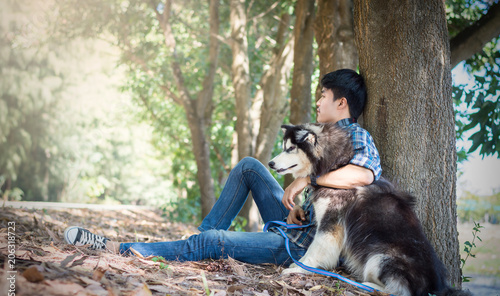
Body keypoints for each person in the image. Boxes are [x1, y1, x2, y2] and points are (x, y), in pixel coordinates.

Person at [64, 69, 382, 267]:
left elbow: (365, 174)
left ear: (342, 104)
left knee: (213, 242)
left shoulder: (354, 133)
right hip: (297, 226)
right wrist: (302, 205)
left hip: (303, 247)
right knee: (249, 167)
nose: (318, 102)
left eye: (323, 96)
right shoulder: (321, 135)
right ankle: (196, 241)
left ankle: (118, 249)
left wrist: (310, 178)